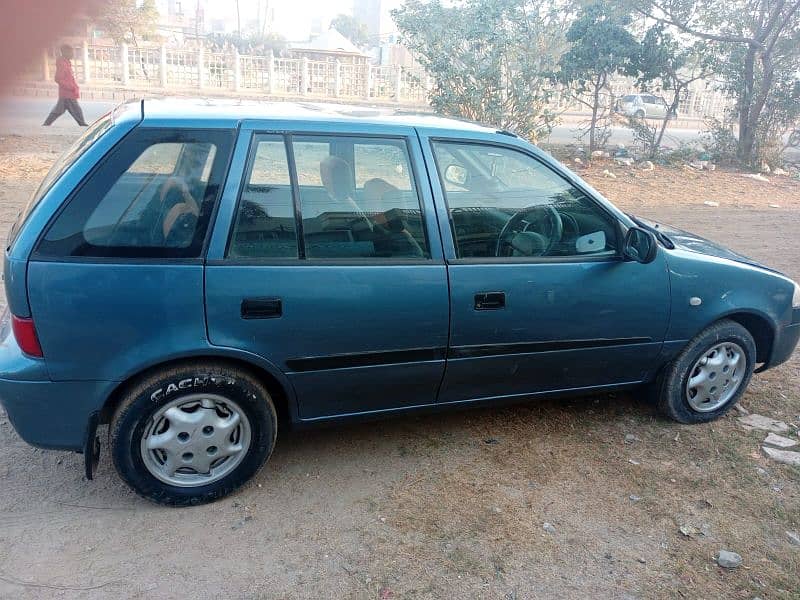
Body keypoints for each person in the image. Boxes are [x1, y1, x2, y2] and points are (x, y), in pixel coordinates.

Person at [43, 44, 87, 126]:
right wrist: (70, 87)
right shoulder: (62, 64)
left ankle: (46, 124)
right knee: (76, 110)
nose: (73, 54)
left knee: (58, 111)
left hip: (67, 93)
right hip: (67, 93)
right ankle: (83, 124)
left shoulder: (66, 63)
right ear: (65, 53)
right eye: (71, 52)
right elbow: (58, 78)